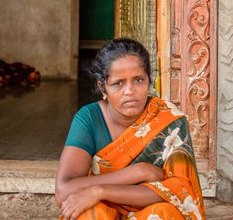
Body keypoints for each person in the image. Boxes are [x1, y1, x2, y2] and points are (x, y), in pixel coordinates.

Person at [55, 38, 204, 220]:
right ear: (103, 88)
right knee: (91, 214)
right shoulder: (90, 119)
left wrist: (101, 190)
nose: (129, 91)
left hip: (148, 210)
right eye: (118, 83)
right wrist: (137, 172)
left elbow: (179, 193)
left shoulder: (170, 120)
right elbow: (63, 191)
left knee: (163, 214)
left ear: (150, 81)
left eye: (139, 80)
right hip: (105, 211)